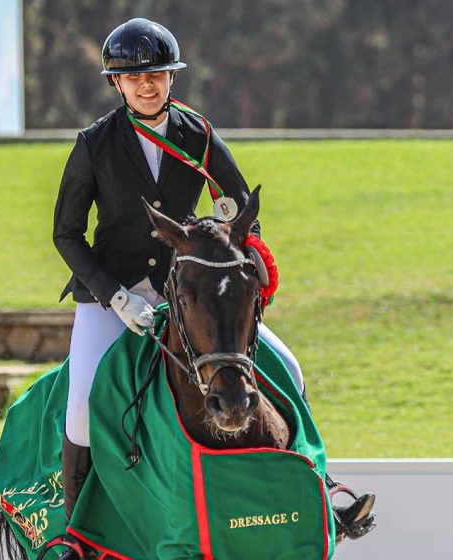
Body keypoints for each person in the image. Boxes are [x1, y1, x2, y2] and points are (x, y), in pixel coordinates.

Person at [51, 17, 374, 557]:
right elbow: (65, 233)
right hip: (117, 293)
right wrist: (114, 294)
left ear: (171, 78)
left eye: (156, 75)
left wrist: (240, 260)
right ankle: (74, 534)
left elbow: (243, 208)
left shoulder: (196, 134)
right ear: (116, 84)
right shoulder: (95, 144)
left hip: (192, 289)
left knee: (288, 368)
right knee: (83, 401)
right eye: (133, 78)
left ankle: (322, 491)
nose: (146, 85)